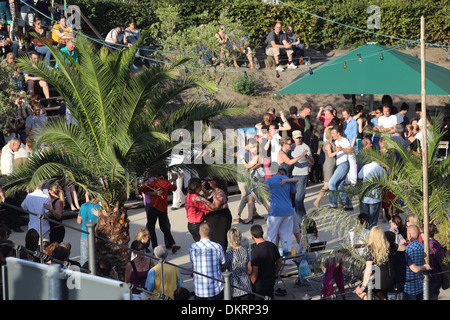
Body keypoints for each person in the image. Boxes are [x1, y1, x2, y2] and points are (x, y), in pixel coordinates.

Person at [140, 173, 180, 253]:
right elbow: (174, 188)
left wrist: (153, 193)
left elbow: (142, 189)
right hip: (163, 208)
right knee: (164, 227)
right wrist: (174, 180)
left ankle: (155, 247)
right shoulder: (166, 182)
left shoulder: (153, 183)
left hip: (153, 207)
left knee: (151, 228)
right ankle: (172, 244)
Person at [354, 226, 396, 300]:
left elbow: (368, 270)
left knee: (359, 290)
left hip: (379, 280)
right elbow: (402, 248)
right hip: (391, 279)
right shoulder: (388, 245)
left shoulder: (371, 248)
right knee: (377, 291)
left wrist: (363, 287)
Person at [195, 176, 232, 253]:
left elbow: (214, 207)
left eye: (211, 181)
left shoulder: (220, 193)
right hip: (214, 218)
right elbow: (209, 196)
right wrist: (202, 188)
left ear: (217, 182)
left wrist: (202, 199)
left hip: (220, 219)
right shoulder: (214, 191)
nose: (209, 182)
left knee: (220, 240)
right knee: (213, 239)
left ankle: (221, 259)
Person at [189, 223, 225, 300]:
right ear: (210, 232)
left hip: (200, 290)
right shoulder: (217, 246)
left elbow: (193, 264)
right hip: (215, 289)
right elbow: (223, 263)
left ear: (199, 232)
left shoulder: (193, 247)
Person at [263, 168, 297, 246]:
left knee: (271, 236)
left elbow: (260, 192)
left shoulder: (268, 181)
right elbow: (294, 191)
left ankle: (271, 255)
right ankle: (288, 257)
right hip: (288, 210)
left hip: (276, 211)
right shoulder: (287, 179)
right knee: (287, 237)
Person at [249, 224, 282, 300]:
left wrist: (251, 284)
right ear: (262, 233)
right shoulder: (272, 246)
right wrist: (274, 273)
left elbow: (255, 272)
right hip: (271, 281)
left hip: (259, 285)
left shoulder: (255, 250)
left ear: (252, 236)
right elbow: (279, 263)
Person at [290, 130, 314, 224]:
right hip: (292, 175)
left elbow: (312, 162)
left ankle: (304, 222)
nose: (299, 139)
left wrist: (307, 156)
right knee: (293, 200)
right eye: (297, 138)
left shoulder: (305, 147)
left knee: (298, 200)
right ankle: (298, 221)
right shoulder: (291, 146)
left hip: (302, 175)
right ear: (293, 138)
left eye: (300, 137)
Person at [328, 125, 353, 210]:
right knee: (339, 186)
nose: (332, 135)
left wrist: (342, 149)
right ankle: (348, 205)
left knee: (331, 183)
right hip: (340, 165)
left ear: (338, 133)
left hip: (343, 164)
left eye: (333, 133)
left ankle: (333, 204)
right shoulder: (336, 142)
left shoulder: (344, 141)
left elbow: (351, 150)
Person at [403, 225, 431, 300]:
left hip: (409, 286)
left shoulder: (407, 250)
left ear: (409, 235)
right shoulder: (424, 247)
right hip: (421, 285)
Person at [357, 160, 386, 228]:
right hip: (375, 198)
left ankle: (364, 235)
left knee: (363, 220)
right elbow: (386, 182)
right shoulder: (381, 169)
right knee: (372, 221)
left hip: (365, 197)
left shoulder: (365, 167)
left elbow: (359, 176)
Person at [224, 228, 252, 300]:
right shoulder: (245, 250)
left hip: (235, 287)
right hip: (246, 284)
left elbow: (225, 268)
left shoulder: (229, 254)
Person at [314, 128, 336, 208]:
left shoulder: (332, 142)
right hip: (329, 165)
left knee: (333, 184)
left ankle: (336, 201)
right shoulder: (327, 144)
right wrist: (337, 151)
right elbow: (330, 155)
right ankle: (317, 201)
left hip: (332, 165)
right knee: (326, 185)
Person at [76, 196, 101, 267]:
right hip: (96, 235)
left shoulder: (83, 206)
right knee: (95, 257)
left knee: (84, 258)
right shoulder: (98, 207)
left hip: (84, 235)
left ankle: (83, 273)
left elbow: (78, 221)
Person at [185, 177, 210, 242]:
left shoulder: (189, 195)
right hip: (197, 224)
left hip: (191, 224)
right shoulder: (196, 198)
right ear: (198, 187)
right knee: (203, 243)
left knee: (199, 242)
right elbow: (207, 209)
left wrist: (202, 189)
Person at [427, 223, 444, 300]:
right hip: (438, 275)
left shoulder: (429, 245)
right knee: (435, 295)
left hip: (432, 277)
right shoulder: (437, 243)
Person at [342, 106, 358, 185]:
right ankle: (347, 180)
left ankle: (353, 181)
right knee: (347, 163)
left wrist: (351, 145)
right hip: (346, 144)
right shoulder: (345, 122)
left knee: (352, 163)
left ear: (349, 114)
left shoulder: (354, 122)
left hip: (351, 145)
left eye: (345, 115)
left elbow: (355, 135)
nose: (343, 116)